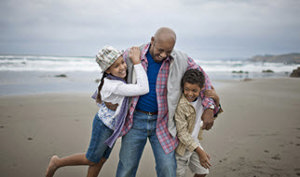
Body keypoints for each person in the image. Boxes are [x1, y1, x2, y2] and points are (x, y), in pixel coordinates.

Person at [115, 27, 222, 177]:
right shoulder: (132, 53)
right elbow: (111, 72)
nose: (164, 55)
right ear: (152, 40)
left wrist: (209, 107)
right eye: (160, 50)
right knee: (127, 167)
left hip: (164, 122)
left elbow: (204, 81)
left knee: (168, 169)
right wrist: (102, 95)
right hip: (135, 121)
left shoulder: (182, 59)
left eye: (168, 51)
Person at [45, 46, 149, 177]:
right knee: (91, 159)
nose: (122, 67)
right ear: (108, 70)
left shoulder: (115, 79)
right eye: (116, 66)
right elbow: (143, 88)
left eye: (122, 62)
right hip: (103, 126)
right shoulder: (115, 85)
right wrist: (137, 62)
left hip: (112, 126)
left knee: (101, 160)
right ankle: (57, 162)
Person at [175, 69, 221, 177]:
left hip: (194, 142)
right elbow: (182, 133)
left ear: (201, 89)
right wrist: (200, 152)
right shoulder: (181, 105)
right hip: (180, 147)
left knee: (202, 171)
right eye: (186, 89)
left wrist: (217, 99)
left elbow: (212, 116)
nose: (190, 94)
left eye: (194, 90)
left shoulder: (203, 100)